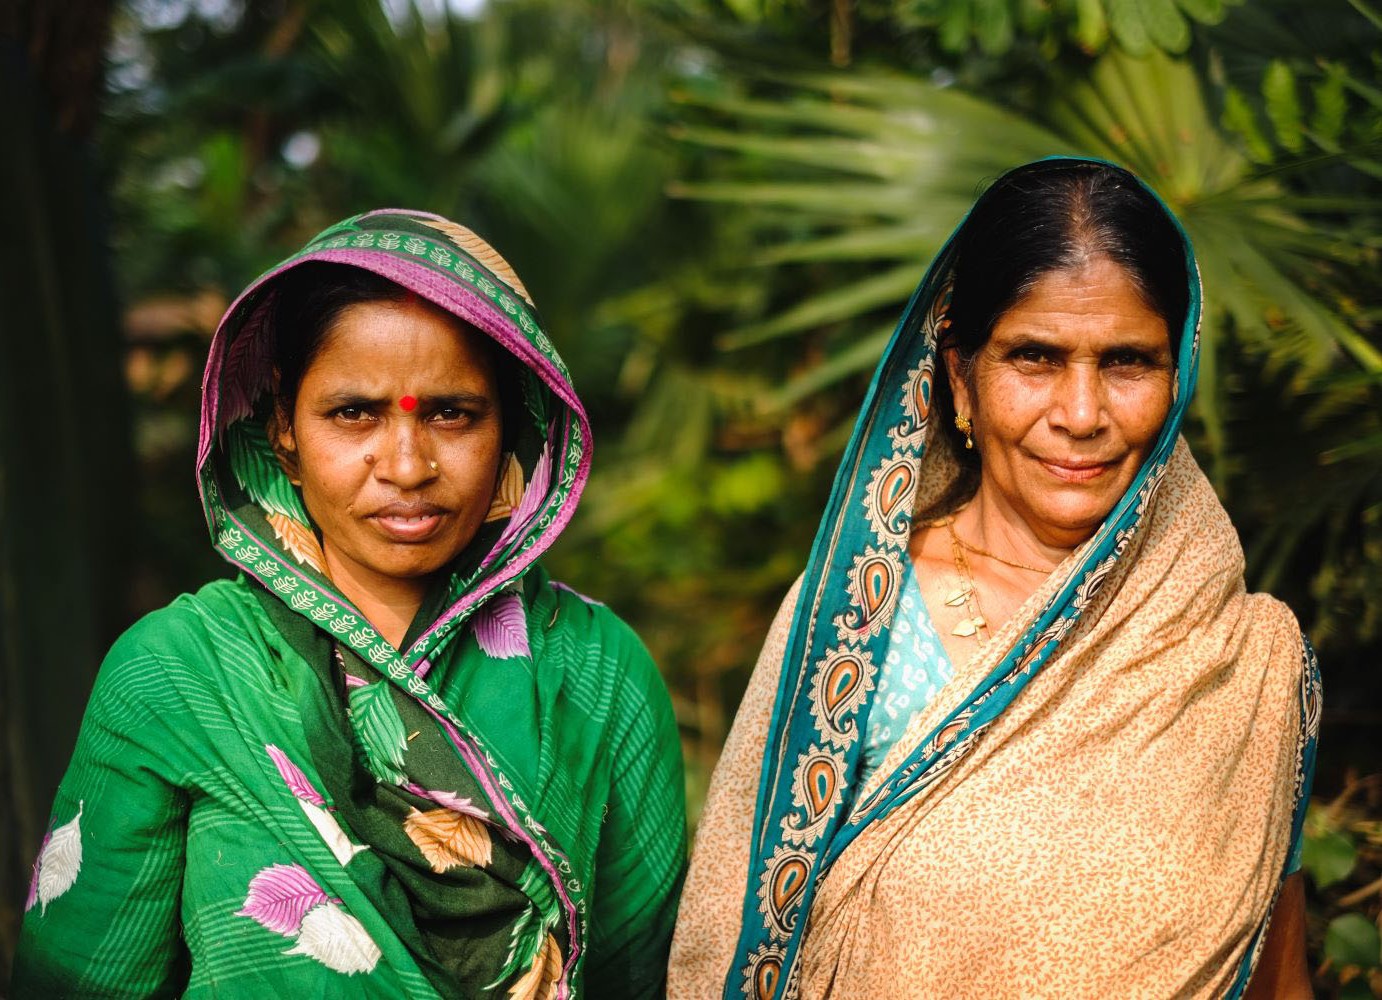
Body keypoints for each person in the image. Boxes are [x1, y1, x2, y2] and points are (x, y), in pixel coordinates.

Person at [668, 158, 1319, 999]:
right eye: (1035, 357)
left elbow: (1280, 984)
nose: (1081, 414)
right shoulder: (861, 623)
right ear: (959, 376)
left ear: (1176, 375)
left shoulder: (1242, 662)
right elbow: (738, 934)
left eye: (1127, 362)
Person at [14, 210, 686, 998]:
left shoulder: (598, 673)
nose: (406, 465)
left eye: (452, 413)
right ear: (284, 435)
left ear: (516, 428)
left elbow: (647, 978)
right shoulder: (177, 676)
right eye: (353, 413)